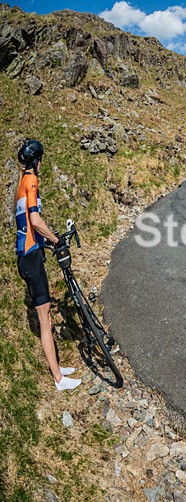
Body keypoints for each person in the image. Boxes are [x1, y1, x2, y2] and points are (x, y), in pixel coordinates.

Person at [15, 139, 81, 390]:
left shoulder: (21, 184)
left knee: (48, 316)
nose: (41, 163)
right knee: (45, 320)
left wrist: (48, 241)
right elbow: (35, 219)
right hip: (31, 256)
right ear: (35, 161)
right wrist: (54, 239)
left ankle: (58, 368)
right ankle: (59, 379)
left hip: (28, 255)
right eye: (40, 159)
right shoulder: (31, 181)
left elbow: (27, 225)